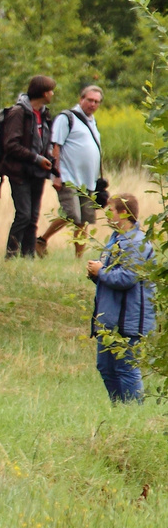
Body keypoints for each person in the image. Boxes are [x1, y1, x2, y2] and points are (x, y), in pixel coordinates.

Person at [88, 194, 155, 403]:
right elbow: (111, 279)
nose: (106, 215)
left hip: (128, 319)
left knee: (126, 367)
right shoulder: (115, 240)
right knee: (106, 367)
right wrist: (96, 275)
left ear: (124, 213)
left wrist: (101, 272)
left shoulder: (137, 243)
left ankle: (134, 412)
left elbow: (127, 278)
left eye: (111, 211)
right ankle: (120, 410)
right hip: (109, 317)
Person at [40, 85, 104, 259]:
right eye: (90, 100)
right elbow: (56, 147)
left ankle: (78, 258)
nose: (92, 104)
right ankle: (41, 240)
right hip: (68, 177)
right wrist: (57, 175)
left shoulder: (92, 121)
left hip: (88, 180)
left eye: (96, 102)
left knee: (83, 221)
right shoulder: (67, 118)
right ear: (81, 99)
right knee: (72, 215)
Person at [2, 75, 56, 259]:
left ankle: (28, 257)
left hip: (38, 173)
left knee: (33, 218)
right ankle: (10, 256)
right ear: (41, 92)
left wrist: (46, 160)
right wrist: (36, 158)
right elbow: (11, 144)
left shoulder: (44, 113)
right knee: (23, 215)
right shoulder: (19, 112)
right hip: (20, 172)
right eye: (50, 90)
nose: (52, 93)